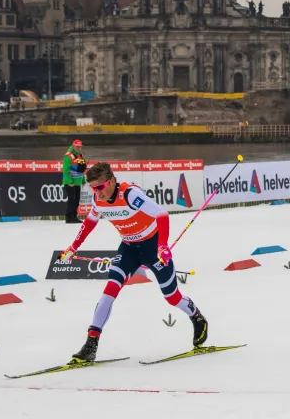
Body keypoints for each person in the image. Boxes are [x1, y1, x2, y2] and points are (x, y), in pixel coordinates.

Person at [61, 162, 209, 363]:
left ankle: (196, 316)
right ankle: (91, 344)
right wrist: (73, 247)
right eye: (93, 188)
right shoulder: (98, 200)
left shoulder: (130, 195)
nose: (97, 193)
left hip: (152, 246)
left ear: (112, 180)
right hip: (129, 248)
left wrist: (163, 246)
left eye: (100, 187)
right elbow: (90, 222)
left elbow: (161, 215)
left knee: (171, 296)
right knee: (109, 291)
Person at [61, 139, 87, 224]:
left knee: (77, 200)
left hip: (77, 182)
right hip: (70, 182)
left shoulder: (80, 155)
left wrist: (83, 179)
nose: (79, 148)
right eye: (77, 146)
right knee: (72, 200)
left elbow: (81, 169)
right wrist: (69, 182)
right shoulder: (68, 156)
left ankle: (74, 216)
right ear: (73, 146)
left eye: (80, 147)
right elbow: (65, 170)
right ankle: (69, 217)